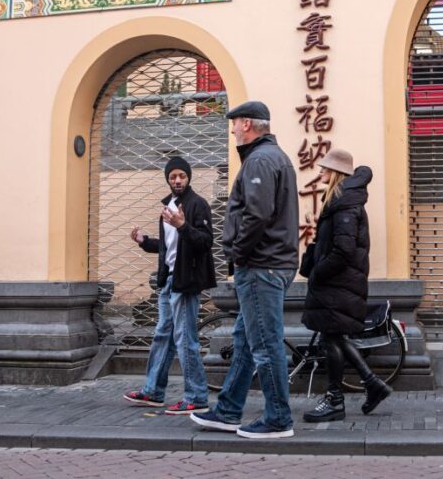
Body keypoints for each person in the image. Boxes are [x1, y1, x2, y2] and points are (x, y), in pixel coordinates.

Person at [191, 100, 299, 439]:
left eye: (235, 124)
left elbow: (256, 216)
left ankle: (278, 418)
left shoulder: (260, 161)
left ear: (249, 125)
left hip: (261, 266)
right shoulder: (272, 157)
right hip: (269, 264)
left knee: (265, 346)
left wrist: (237, 255)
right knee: (245, 339)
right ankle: (227, 410)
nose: (233, 129)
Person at [300, 148, 392, 422]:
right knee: (335, 337)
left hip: (337, 284)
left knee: (332, 340)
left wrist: (318, 272)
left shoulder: (345, 205)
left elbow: (343, 249)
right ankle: (372, 384)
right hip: (339, 283)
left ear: (337, 172)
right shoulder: (342, 201)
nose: (321, 173)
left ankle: (335, 400)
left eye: (325, 169)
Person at [123, 156, 216, 415]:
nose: (177, 180)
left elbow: (205, 242)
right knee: (163, 335)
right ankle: (153, 391)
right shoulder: (168, 207)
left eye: (182, 176)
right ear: (168, 179)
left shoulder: (198, 205)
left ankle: (196, 396)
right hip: (168, 281)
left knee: (186, 340)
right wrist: (144, 241)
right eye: (173, 176)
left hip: (186, 283)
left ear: (188, 178)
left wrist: (183, 225)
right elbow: (168, 249)